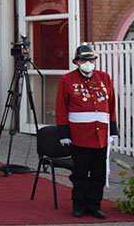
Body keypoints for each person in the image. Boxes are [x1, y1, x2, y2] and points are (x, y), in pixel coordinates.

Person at [56, 44, 118, 219]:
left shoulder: (105, 78)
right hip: (79, 136)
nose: (88, 63)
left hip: (101, 136)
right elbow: (61, 108)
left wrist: (113, 129)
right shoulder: (67, 80)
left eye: (91, 60)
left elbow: (111, 105)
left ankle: (94, 205)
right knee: (80, 173)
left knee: (99, 173)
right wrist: (64, 133)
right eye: (84, 60)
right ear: (77, 62)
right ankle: (79, 205)